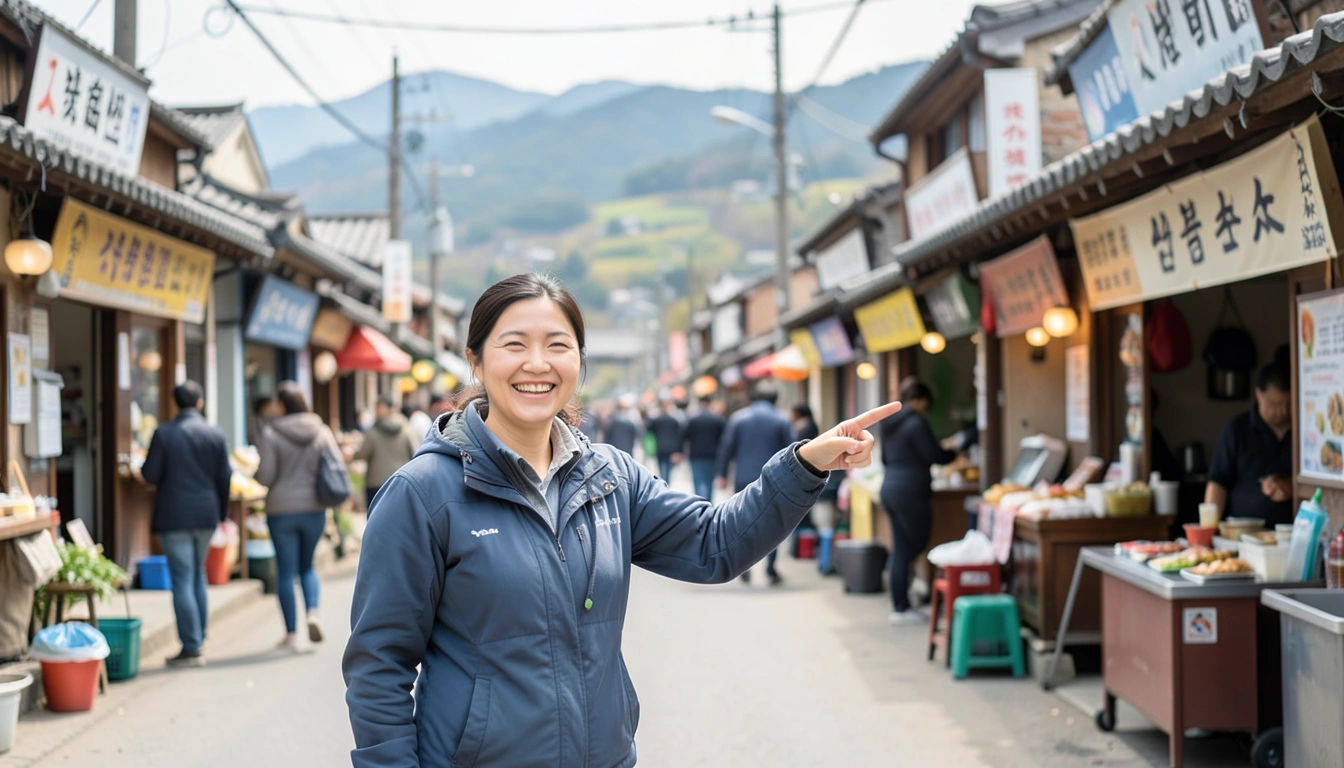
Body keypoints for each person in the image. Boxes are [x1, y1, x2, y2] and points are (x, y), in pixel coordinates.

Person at [342, 273, 894, 767]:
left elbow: (715, 544)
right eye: (514, 345)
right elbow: (379, 667)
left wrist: (804, 465)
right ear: (476, 361)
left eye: (558, 345)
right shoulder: (422, 494)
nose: (537, 363)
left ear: (578, 363)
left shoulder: (609, 477)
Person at [140, 381, 232, 667]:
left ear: (175, 403)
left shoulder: (164, 434)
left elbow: (150, 474)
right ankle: (199, 637)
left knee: (182, 578)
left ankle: (191, 647)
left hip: (174, 514)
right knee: (197, 575)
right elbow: (225, 477)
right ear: (200, 402)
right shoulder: (214, 433)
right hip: (206, 513)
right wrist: (221, 513)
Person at [255, 381, 344, 649]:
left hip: (281, 510)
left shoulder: (271, 433)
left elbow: (266, 475)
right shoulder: (321, 431)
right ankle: (313, 612)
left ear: (282, 405)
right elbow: (337, 463)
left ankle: (291, 634)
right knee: (307, 566)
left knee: (285, 572)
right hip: (314, 508)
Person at [879, 377, 959, 624]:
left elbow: (884, 458)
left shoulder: (888, 422)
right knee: (914, 545)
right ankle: (902, 606)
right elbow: (933, 455)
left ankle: (900, 605)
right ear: (919, 400)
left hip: (889, 487)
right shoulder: (916, 422)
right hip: (911, 491)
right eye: (925, 403)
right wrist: (954, 451)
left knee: (901, 547)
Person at [715, 381, 796, 585]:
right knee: (775, 522)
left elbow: (726, 448)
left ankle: (744, 565)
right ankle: (770, 568)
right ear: (775, 398)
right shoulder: (782, 419)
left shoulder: (738, 418)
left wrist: (721, 474)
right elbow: (792, 450)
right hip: (775, 478)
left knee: (743, 519)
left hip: (743, 476)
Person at [1205, 362, 1294, 526]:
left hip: (1294, 529)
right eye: (1273, 404)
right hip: (1241, 529)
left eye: (1288, 404)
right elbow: (1218, 481)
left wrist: (1291, 486)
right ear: (1258, 394)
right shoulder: (1237, 428)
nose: (1281, 411)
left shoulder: (1305, 429)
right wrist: (1209, 527)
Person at [352, 395, 419, 513]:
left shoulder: (373, 431)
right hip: (400, 480)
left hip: (376, 482)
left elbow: (362, 454)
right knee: (398, 517)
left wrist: (351, 454)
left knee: (375, 518)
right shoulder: (406, 429)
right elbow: (416, 453)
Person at [683, 395, 727, 499]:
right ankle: (708, 503)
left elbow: (685, 435)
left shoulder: (692, 419)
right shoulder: (717, 419)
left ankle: (699, 503)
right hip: (712, 455)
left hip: (696, 455)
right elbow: (724, 438)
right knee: (709, 483)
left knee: (697, 482)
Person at [646, 399, 685, 482]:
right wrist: (679, 450)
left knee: (661, 467)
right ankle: (666, 483)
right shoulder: (674, 420)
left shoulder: (656, 420)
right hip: (671, 448)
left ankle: (663, 482)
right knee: (668, 468)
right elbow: (679, 435)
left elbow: (649, 429)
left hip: (660, 447)